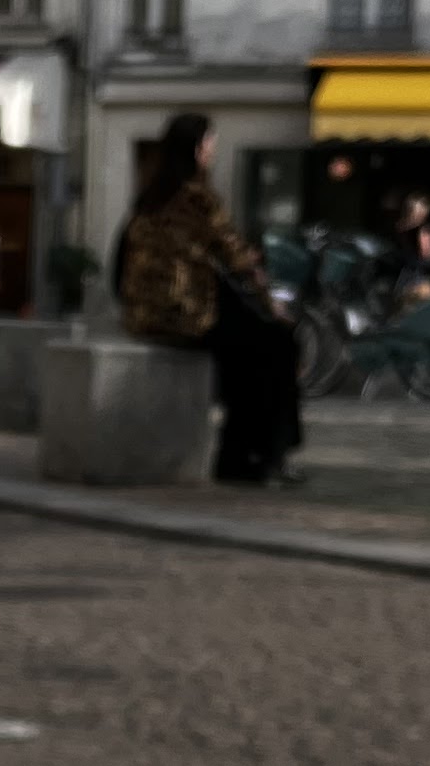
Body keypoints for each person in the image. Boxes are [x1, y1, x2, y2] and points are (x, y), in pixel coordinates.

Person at [114, 111, 303, 485]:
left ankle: (246, 457)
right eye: (210, 143)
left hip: (146, 313)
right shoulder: (197, 197)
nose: (213, 150)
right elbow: (237, 257)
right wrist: (272, 306)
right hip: (186, 313)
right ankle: (263, 456)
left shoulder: (150, 198)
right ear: (198, 149)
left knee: (246, 357)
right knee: (278, 344)